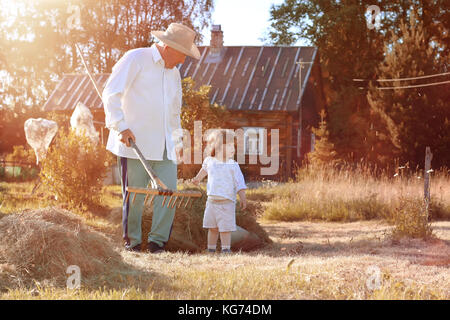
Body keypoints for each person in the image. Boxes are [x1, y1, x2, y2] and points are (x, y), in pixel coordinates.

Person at [102, 23, 200, 253]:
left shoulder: (174, 73)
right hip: (135, 144)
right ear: (167, 46)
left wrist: (177, 142)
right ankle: (133, 243)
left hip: (166, 146)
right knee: (134, 196)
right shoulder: (136, 59)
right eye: (181, 55)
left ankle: (157, 243)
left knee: (168, 193)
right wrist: (120, 126)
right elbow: (111, 93)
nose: (183, 61)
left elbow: (174, 112)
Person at [191, 129, 247, 253]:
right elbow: (204, 170)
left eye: (234, 145)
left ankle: (226, 249)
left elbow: (239, 183)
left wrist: (242, 197)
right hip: (211, 202)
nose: (233, 148)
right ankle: (210, 249)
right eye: (230, 145)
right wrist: (197, 179)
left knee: (225, 229)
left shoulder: (233, 165)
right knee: (212, 228)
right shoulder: (209, 161)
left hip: (226, 203)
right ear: (219, 146)